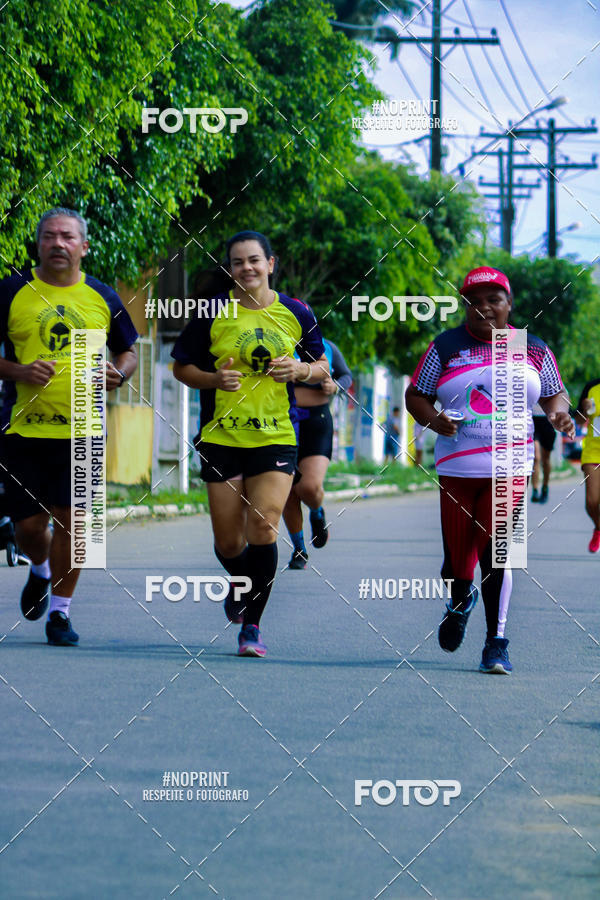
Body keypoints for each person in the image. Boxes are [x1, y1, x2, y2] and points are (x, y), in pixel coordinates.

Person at [406, 266, 574, 675]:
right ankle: (460, 597)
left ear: (509, 305)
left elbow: (555, 395)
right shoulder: (445, 346)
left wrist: (559, 417)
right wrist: (434, 420)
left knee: (499, 552)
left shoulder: (532, 348)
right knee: (458, 563)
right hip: (457, 467)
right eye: (473, 301)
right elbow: (416, 395)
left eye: (493, 300)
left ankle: (496, 643)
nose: (483, 308)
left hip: (513, 466)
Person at [172, 230, 328, 657]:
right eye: (238, 262)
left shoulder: (296, 312)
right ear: (230, 268)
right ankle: (241, 582)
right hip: (221, 438)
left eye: (255, 260)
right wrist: (212, 379)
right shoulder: (211, 313)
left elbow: (322, 368)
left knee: (263, 526)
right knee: (228, 542)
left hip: (275, 436)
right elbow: (180, 367)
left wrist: (299, 370)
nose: (247, 268)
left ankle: (252, 627)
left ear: (271, 264)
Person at [0, 207, 138, 645]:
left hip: (83, 428)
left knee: (75, 523)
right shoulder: (10, 292)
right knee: (27, 527)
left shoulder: (102, 297)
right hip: (22, 429)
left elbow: (128, 351)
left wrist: (119, 373)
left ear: (84, 246)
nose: (57, 243)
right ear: (38, 244)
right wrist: (20, 372)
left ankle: (60, 613)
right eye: (49, 236)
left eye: (67, 236)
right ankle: (39, 570)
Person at [283, 338, 353, 569]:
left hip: (317, 422)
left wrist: (336, 386)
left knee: (308, 487)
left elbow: (346, 376)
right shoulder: (279, 342)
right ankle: (299, 548)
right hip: (283, 422)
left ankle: (316, 511)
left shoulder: (327, 347)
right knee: (287, 492)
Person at [574, 379, 600, 552]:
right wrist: (583, 409)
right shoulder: (592, 387)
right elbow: (578, 420)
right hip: (593, 451)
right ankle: (598, 528)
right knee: (591, 502)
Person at [531, 401, 556, 503]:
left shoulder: (553, 384)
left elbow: (564, 397)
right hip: (533, 420)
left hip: (548, 421)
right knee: (536, 457)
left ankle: (545, 487)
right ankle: (535, 490)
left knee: (545, 460)